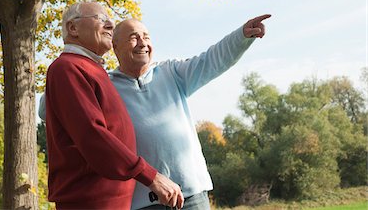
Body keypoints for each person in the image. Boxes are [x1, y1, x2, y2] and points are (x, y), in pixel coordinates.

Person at [108, 14, 270, 210]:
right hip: (143, 203)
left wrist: (242, 36)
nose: (142, 43)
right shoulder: (106, 87)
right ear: (115, 47)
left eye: (147, 37)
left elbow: (210, 61)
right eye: (134, 37)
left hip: (192, 197)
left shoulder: (171, 72)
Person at [45, 1, 184, 210]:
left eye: (110, 20)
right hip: (89, 201)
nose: (110, 25)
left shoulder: (91, 69)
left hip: (112, 201)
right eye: (101, 19)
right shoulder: (67, 68)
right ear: (73, 28)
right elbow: (92, 135)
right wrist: (151, 176)